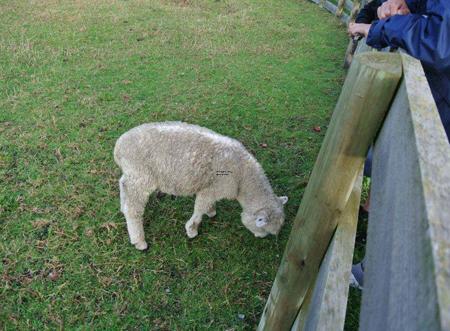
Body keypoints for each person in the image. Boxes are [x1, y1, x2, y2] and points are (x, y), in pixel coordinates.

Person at [347, 0, 450, 289]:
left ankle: (383, 274)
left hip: (440, 106)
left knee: (416, 189)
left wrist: (379, 28)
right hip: (434, 97)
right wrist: (393, 10)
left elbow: (438, 41)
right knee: (391, 168)